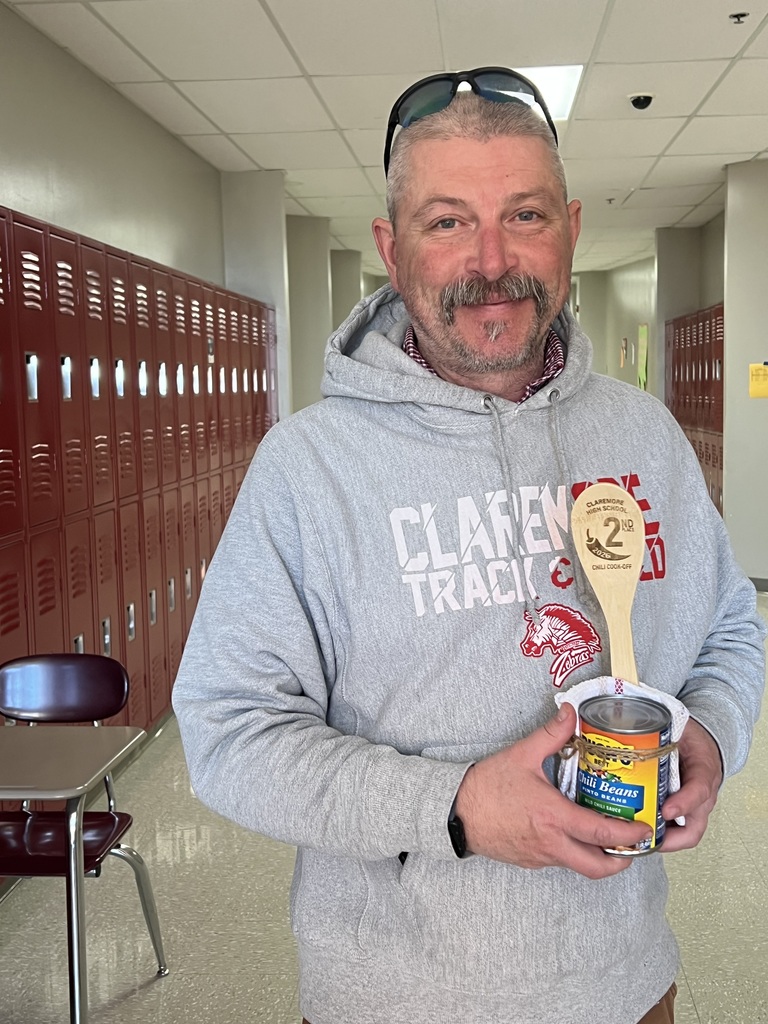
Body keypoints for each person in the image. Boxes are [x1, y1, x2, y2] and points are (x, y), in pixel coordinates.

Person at [172, 68, 766, 1024]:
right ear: (391, 246)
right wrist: (453, 808)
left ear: (569, 227)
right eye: (447, 221)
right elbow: (229, 734)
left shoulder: (644, 438)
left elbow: (731, 625)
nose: (492, 261)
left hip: (626, 984)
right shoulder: (307, 470)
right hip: (396, 998)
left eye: (524, 214)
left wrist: (710, 734)